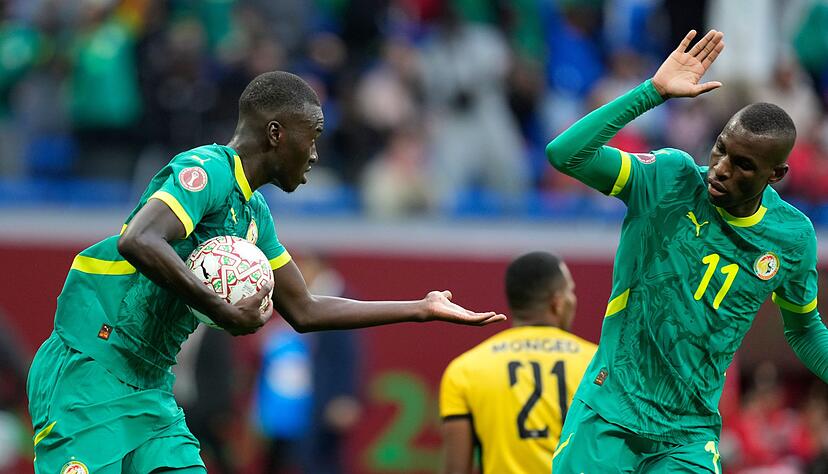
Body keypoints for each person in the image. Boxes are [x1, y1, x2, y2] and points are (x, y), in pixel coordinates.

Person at [26, 71, 505, 473]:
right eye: (313, 135)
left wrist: (420, 308)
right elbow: (140, 239)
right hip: (90, 367)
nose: (316, 153)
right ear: (276, 133)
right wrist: (219, 308)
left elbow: (305, 307)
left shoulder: (255, 217)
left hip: (149, 387)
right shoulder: (207, 169)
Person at [547, 29, 827, 473]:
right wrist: (652, 92)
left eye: (743, 165)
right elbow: (566, 154)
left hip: (688, 435)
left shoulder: (792, 237)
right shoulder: (670, 178)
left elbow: (804, 329)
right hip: (609, 412)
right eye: (720, 150)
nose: (720, 169)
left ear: (777, 174)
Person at [439, 251, 597, 474]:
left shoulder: (466, 369)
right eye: (570, 291)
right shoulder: (597, 364)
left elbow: (456, 470)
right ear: (558, 303)